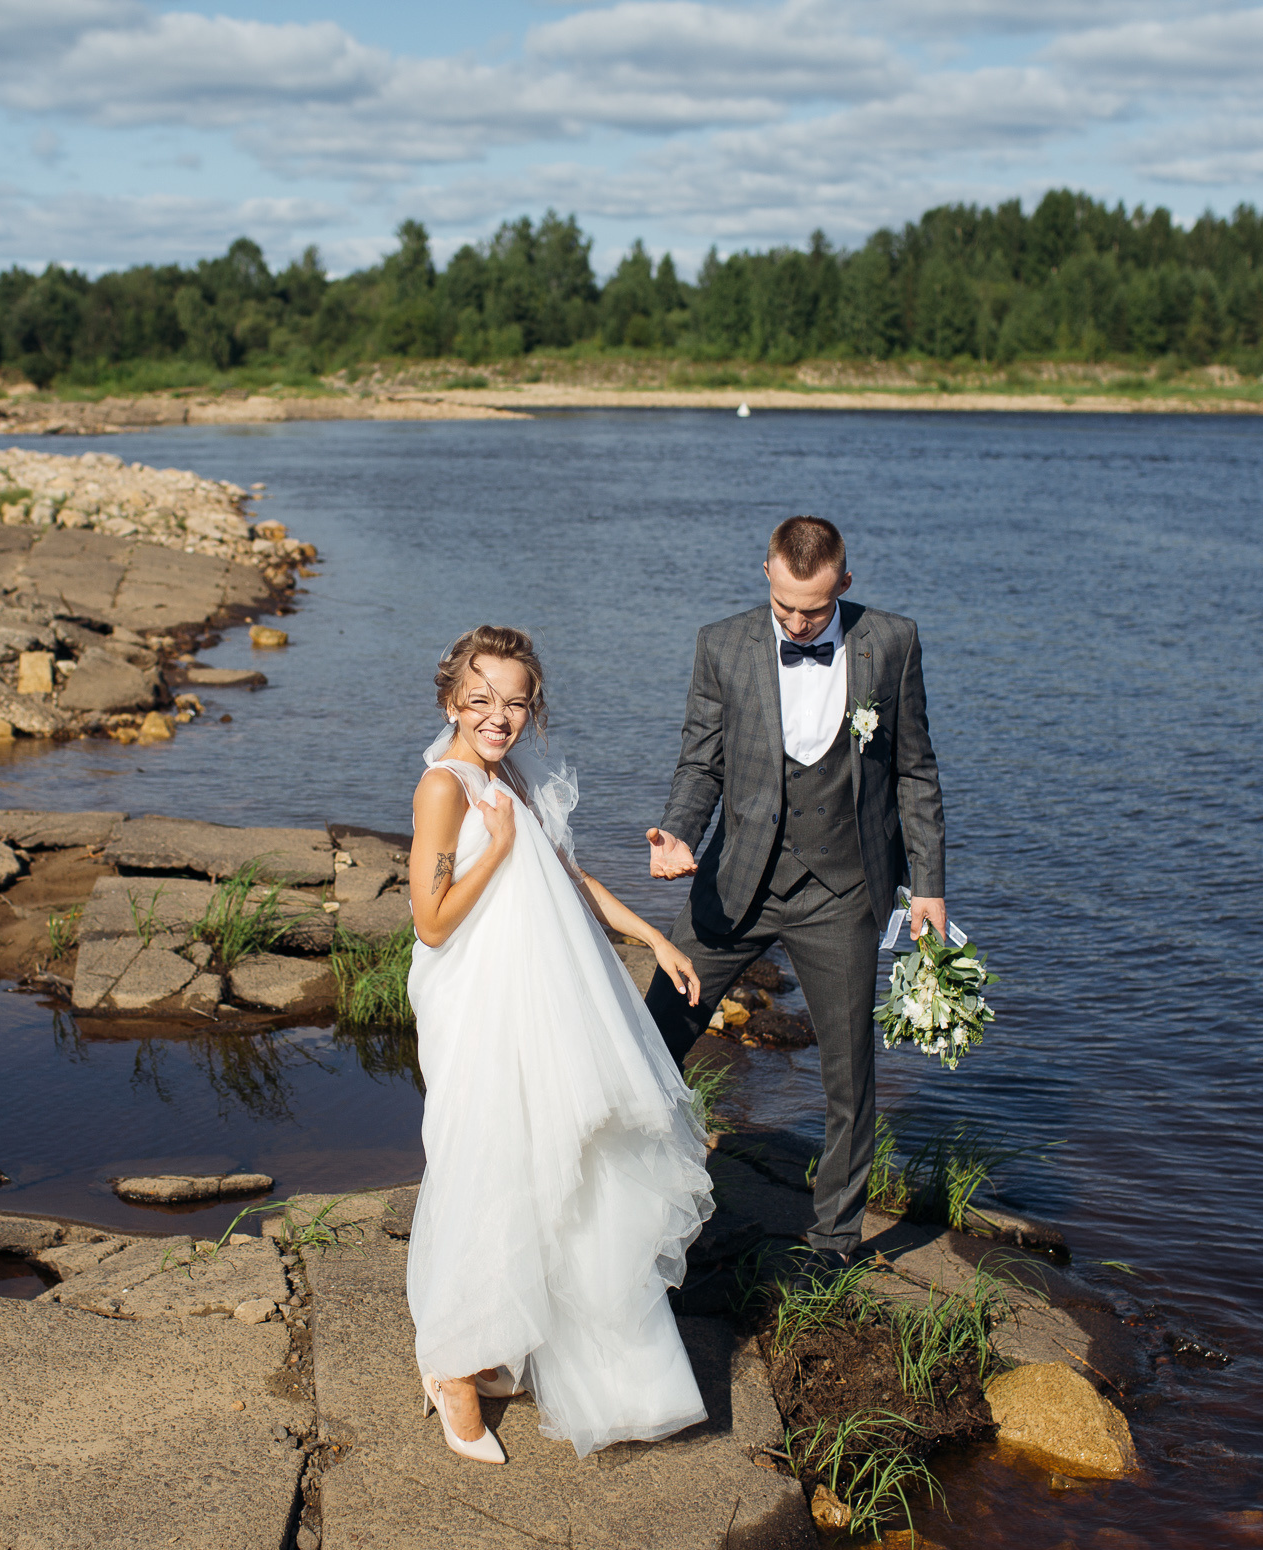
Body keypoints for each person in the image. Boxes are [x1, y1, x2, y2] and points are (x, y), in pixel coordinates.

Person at [404, 625, 717, 1465]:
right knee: (485, 1162)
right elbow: (431, 923)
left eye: (515, 701)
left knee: (553, 1166)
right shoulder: (445, 786)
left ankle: (500, 1333)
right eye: (482, 700)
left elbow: (565, 876)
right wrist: (496, 845)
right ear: (451, 702)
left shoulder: (514, 779)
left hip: (543, 999)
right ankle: (452, 1367)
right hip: (478, 1001)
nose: (499, 716)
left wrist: (652, 937)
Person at [642, 515, 947, 1265]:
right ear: (767, 576)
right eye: (785, 606)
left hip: (843, 891)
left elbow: (915, 770)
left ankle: (834, 1242)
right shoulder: (723, 644)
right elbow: (701, 765)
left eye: (813, 607)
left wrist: (930, 888)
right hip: (735, 881)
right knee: (648, 1042)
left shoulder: (893, 643)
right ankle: (626, 1203)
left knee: (849, 1077)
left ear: (844, 582)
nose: (799, 620)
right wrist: (678, 830)